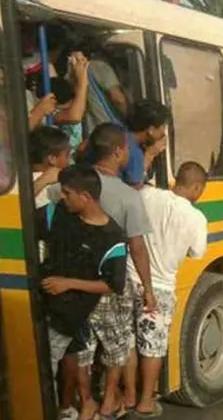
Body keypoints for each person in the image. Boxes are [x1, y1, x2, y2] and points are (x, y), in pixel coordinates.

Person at [47, 123, 156, 419]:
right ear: (118, 152)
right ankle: (108, 400)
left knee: (80, 348)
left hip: (74, 283)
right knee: (115, 346)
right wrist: (148, 290)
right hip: (109, 284)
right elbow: (137, 248)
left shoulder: (67, 186)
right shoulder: (129, 197)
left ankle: (84, 401)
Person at [40, 164, 127, 420]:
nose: (62, 197)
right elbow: (17, 217)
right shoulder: (58, 213)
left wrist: (68, 283)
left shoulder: (112, 237)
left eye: (67, 193)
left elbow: (113, 285)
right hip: (47, 306)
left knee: (48, 366)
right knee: (69, 359)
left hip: (70, 314)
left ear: (86, 197)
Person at [125, 161, 208, 417]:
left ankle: (128, 395)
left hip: (129, 279)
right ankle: (145, 402)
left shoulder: (147, 195)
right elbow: (197, 253)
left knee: (127, 341)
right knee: (153, 347)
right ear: (196, 187)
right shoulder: (196, 218)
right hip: (159, 288)